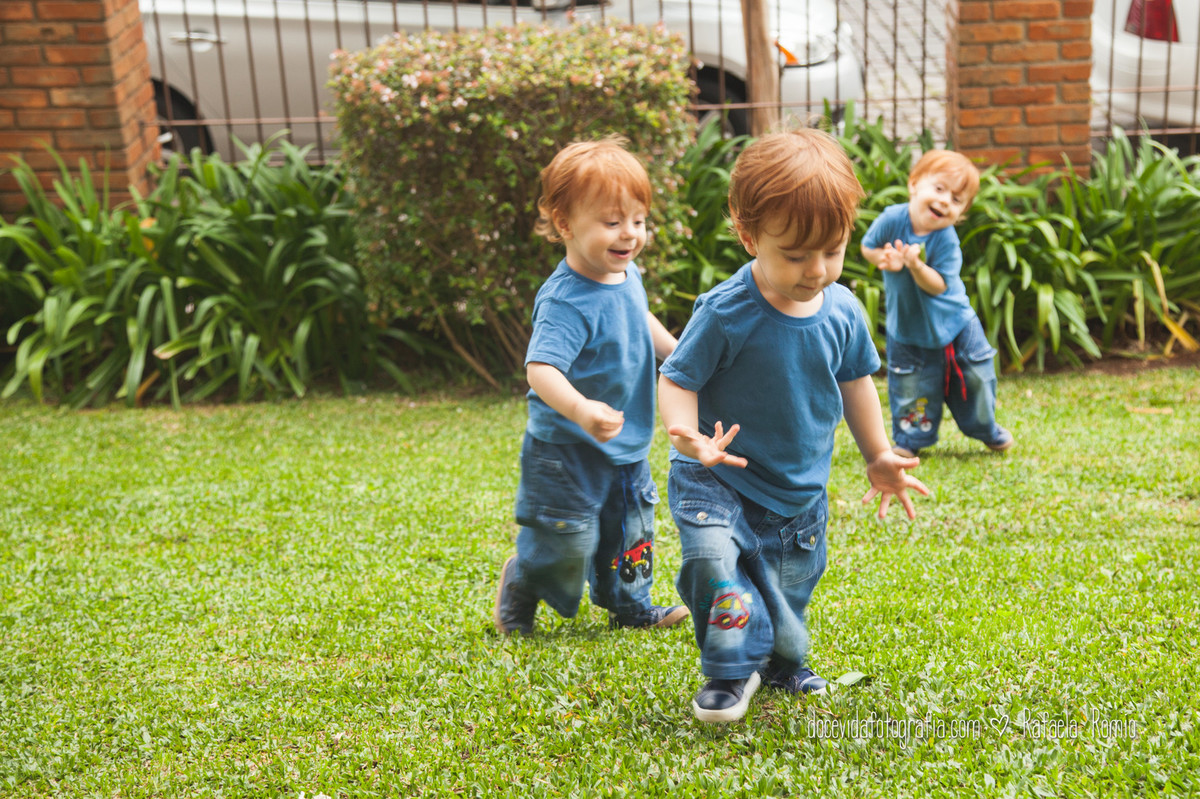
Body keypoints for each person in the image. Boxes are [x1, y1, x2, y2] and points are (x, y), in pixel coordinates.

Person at [658, 128, 929, 723]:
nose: (817, 270)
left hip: (796, 490)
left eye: (831, 251)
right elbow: (677, 377)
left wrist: (879, 455)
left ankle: (781, 665)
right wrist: (687, 435)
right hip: (715, 476)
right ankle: (729, 676)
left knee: (787, 595)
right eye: (796, 255)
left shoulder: (844, 311)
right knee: (715, 564)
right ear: (751, 237)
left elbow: (856, 382)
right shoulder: (726, 311)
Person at [493, 137, 689, 636]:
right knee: (567, 541)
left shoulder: (625, 273)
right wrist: (580, 409)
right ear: (564, 223)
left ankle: (632, 607)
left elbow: (638, 318)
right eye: (612, 222)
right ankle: (522, 584)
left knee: (632, 531)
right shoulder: (564, 301)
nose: (630, 235)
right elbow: (541, 369)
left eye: (639, 221)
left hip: (626, 440)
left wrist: (678, 353)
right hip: (567, 449)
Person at [860, 149, 1014, 457]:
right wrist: (884, 259)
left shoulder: (946, 238)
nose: (945, 201)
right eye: (939, 189)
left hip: (956, 323)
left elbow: (939, 285)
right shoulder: (892, 219)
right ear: (914, 184)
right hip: (906, 326)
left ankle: (986, 428)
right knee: (911, 385)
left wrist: (915, 266)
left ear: (962, 212)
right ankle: (910, 441)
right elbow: (868, 247)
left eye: (956, 200)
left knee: (976, 377)